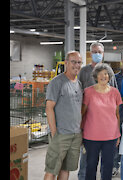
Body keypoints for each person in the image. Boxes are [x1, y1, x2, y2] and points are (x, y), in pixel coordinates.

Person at [77, 42, 118, 180]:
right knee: (88, 162)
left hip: (108, 130)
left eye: (99, 52)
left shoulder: (109, 74)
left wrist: (117, 131)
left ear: (103, 53)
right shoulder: (84, 72)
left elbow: (116, 107)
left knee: (106, 164)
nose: (97, 54)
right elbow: (78, 95)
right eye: (94, 52)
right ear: (90, 53)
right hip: (90, 127)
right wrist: (81, 127)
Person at [44, 51, 83, 180]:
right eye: (73, 62)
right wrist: (54, 133)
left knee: (66, 169)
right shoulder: (57, 82)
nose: (76, 65)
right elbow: (49, 108)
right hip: (60, 134)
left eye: (79, 62)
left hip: (75, 134)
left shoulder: (78, 83)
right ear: (66, 63)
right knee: (52, 170)